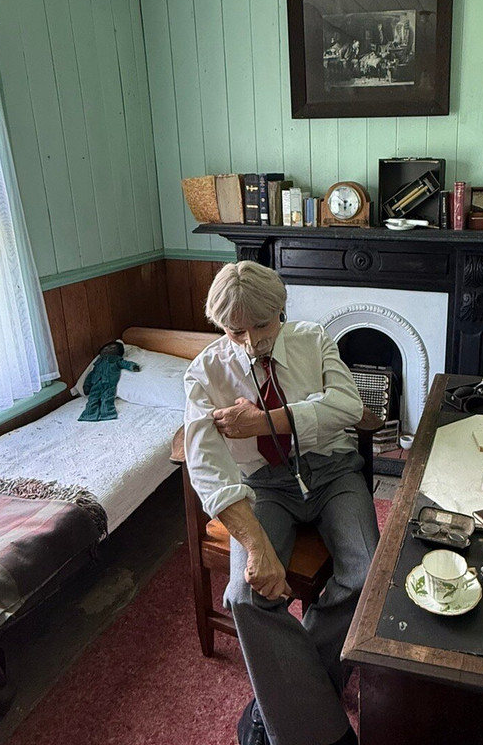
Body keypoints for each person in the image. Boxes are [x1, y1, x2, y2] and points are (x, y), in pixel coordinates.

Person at [183, 261, 379, 745]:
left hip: (334, 473)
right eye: (235, 331)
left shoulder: (314, 339)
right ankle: (320, 727)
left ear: (282, 311)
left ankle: (280, 702)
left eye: (263, 326)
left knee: (370, 573)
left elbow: (350, 407)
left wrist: (269, 420)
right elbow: (206, 465)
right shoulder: (204, 373)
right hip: (262, 488)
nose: (251, 343)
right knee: (245, 595)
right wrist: (254, 545)